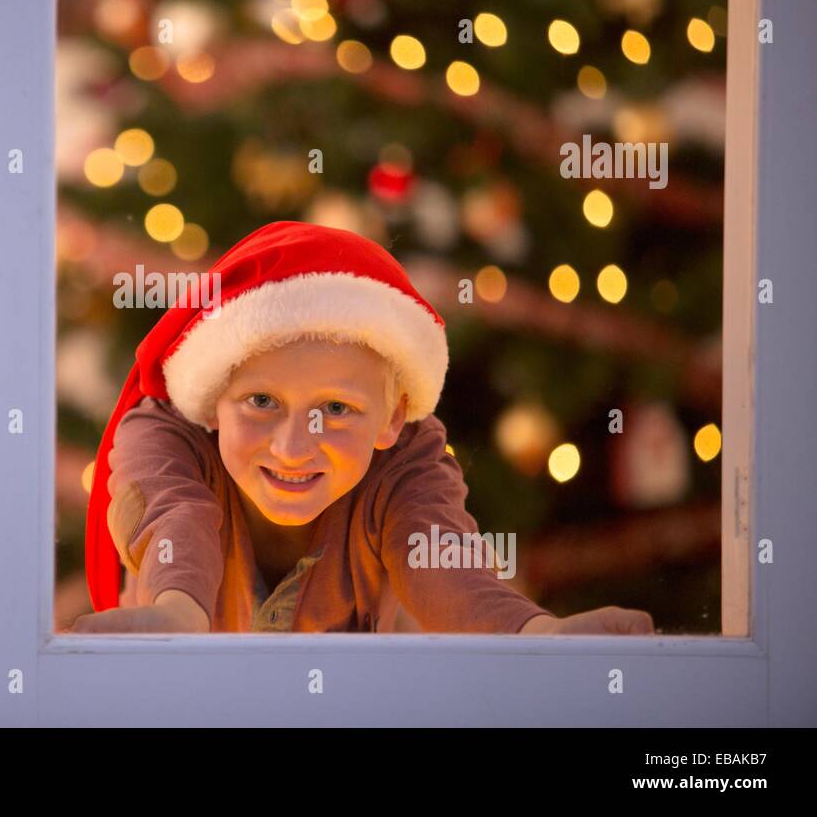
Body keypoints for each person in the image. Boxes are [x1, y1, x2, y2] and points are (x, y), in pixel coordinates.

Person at [73, 221, 653, 635]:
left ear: (394, 416)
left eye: (339, 409)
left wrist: (536, 639)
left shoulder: (406, 461)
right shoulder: (163, 433)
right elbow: (172, 512)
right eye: (260, 400)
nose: (293, 447)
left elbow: (438, 553)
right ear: (210, 400)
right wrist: (176, 614)